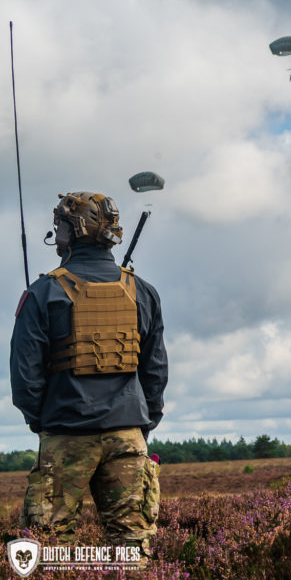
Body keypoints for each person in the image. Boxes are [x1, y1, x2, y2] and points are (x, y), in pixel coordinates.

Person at [10, 191, 167, 557]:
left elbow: (25, 377)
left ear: (73, 230)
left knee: (47, 548)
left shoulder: (43, 292)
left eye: (59, 225)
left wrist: (45, 421)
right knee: (133, 548)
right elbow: (155, 371)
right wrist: (141, 422)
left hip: (65, 433)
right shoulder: (143, 291)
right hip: (128, 435)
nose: (55, 232)